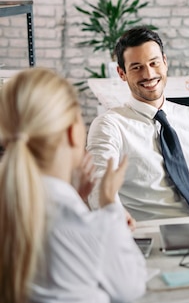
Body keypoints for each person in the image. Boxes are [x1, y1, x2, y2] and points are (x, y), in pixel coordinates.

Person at [0, 68, 146, 303]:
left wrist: (76, 198)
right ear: (72, 133)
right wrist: (109, 208)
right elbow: (132, 287)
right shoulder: (87, 227)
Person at [87, 27, 189, 221]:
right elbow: (100, 186)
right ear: (121, 73)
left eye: (154, 63)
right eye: (136, 67)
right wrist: (117, 223)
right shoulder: (109, 126)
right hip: (153, 231)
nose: (148, 74)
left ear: (165, 63)